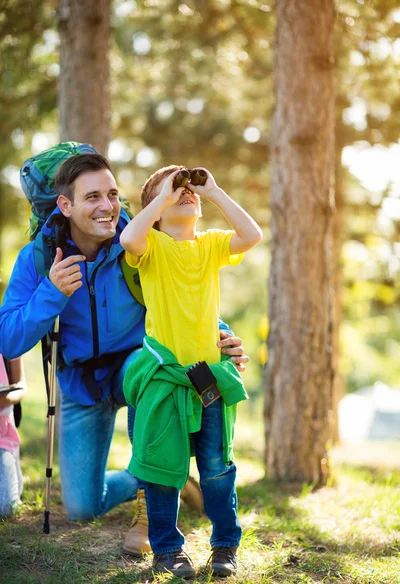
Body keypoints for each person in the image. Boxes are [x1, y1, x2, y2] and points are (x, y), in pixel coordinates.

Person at [0, 153, 249, 553]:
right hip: (82, 382)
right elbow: (8, 340)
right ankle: (166, 474)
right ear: (65, 206)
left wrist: (224, 335)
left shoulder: (140, 237)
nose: (107, 207)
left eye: (112, 194)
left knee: (147, 369)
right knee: (84, 506)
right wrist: (51, 293)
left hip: (143, 365)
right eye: (92, 197)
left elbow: (188, 291)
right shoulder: (40, 257)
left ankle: (149, 510)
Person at [120, 165, 262, 577]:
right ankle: (167, 549)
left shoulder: (212, 244)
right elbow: (130, 236)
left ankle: (224, 546)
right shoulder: (152, 249)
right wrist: (162, 197)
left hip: (208, 379)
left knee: (217, 467)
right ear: (157, 212)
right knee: (163, 470)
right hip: (166, 381)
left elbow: (252, 235)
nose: (186, 195)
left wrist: (214, 191)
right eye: (174, 193)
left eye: (189, 193)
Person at [0, 355, 27, 517]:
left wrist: (6, 398)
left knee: (5, 508)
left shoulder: (6, 333)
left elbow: (22, 386)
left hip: (2, 436)